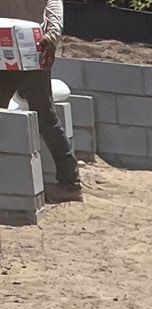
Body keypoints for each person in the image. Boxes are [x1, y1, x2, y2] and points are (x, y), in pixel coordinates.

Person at [7, 0, 82, 198]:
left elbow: (54, 10)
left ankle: (70, 183)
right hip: (21, 49)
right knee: (46, 118)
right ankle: (70, 182)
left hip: (31, 51)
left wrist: (51, 38)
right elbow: (54, 11)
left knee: (45, 118)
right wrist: (52, 38)